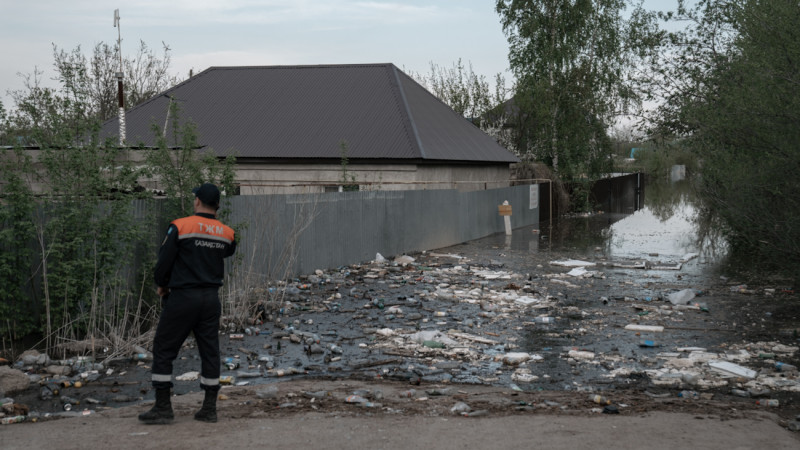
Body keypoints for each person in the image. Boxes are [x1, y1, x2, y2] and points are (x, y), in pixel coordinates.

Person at [138, 183, 236, 424]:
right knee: (210, 352)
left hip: (183, 297)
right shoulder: (227, 232)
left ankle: (163, 408)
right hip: (211, 299)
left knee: (164, 348)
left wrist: (162, 284)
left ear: (197, 201)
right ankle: (209, 409)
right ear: (218, 206)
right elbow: (225, 253)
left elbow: (164, 262)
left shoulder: (180, 226)